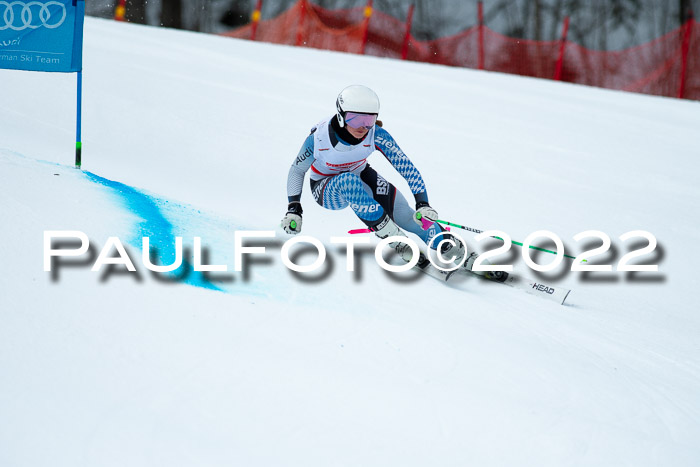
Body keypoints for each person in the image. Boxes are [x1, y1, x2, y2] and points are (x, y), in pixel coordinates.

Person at [280, 84, 473, 270]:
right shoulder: (319, 138)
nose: (363, 127)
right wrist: (294, 208)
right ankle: (394, 238)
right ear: (340, 115)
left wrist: (423, 204)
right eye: (355, 120)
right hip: (325, 188)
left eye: (369, 120)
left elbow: (407, 168)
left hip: (361, 175)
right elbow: (297, 170)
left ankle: (443, 243)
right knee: (348, 181)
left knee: (404, 212)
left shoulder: (377, 135)